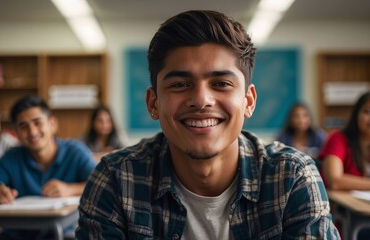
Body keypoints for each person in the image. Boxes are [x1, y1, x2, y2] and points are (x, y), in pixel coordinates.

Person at [76, 10, 339, 239]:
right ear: (153, 102)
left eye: (221, 84)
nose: (201, 100)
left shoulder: (292, 178)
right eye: (179, 85)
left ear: (248, 100)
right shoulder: (116, 179)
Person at [0, 95, 96, 240]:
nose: (32, 132)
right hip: (18, 235)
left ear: (52, 124)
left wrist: (70, 189)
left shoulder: (75, 152)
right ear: (17, 133)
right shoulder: (12, 157)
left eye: (37, 122)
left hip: (65, 233)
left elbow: (101, 186)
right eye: (23, 126)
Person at [319, 90, 370, 240]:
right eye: (367, 111)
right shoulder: (338, 139)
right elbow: (335, 180)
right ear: (356, 115)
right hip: (344, 217)